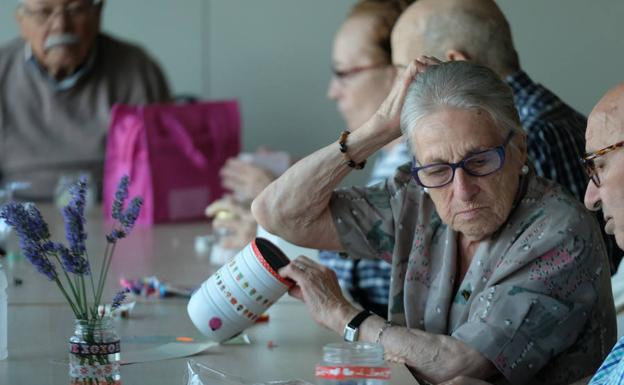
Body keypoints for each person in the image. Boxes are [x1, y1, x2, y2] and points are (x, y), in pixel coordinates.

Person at [251, 60, 615, 384]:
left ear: (519, 147)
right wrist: (374, 131)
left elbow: (462, 365)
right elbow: (280, 214)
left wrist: (343, 316)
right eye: (438, 168)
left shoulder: (559, 233)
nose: (463, 190)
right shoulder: (417, 196)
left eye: (480, 162)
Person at [210, 1, 413, 319]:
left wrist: (287, 229)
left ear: (397, 74)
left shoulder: (417, 162)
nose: (333, 92)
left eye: (343, 73)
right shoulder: (391, 159)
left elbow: (382, 285)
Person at [390, 0, 621, 270]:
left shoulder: (536, 136)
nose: (396, 88)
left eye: (404, 71)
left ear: (452, 63)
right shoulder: (542, 118)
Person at [438, 83, 624, 385]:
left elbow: (462, 360)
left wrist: (351, 320)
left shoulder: (559, 226)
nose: (591, 198)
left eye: (599, 165)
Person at [0, 0, 170, 200]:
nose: (61, 26)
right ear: (22, 21)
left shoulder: (138, 70)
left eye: (75, 10)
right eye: (44, 13)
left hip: (117, 213)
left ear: (97, 14)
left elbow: (163, 168)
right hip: (17, 216)